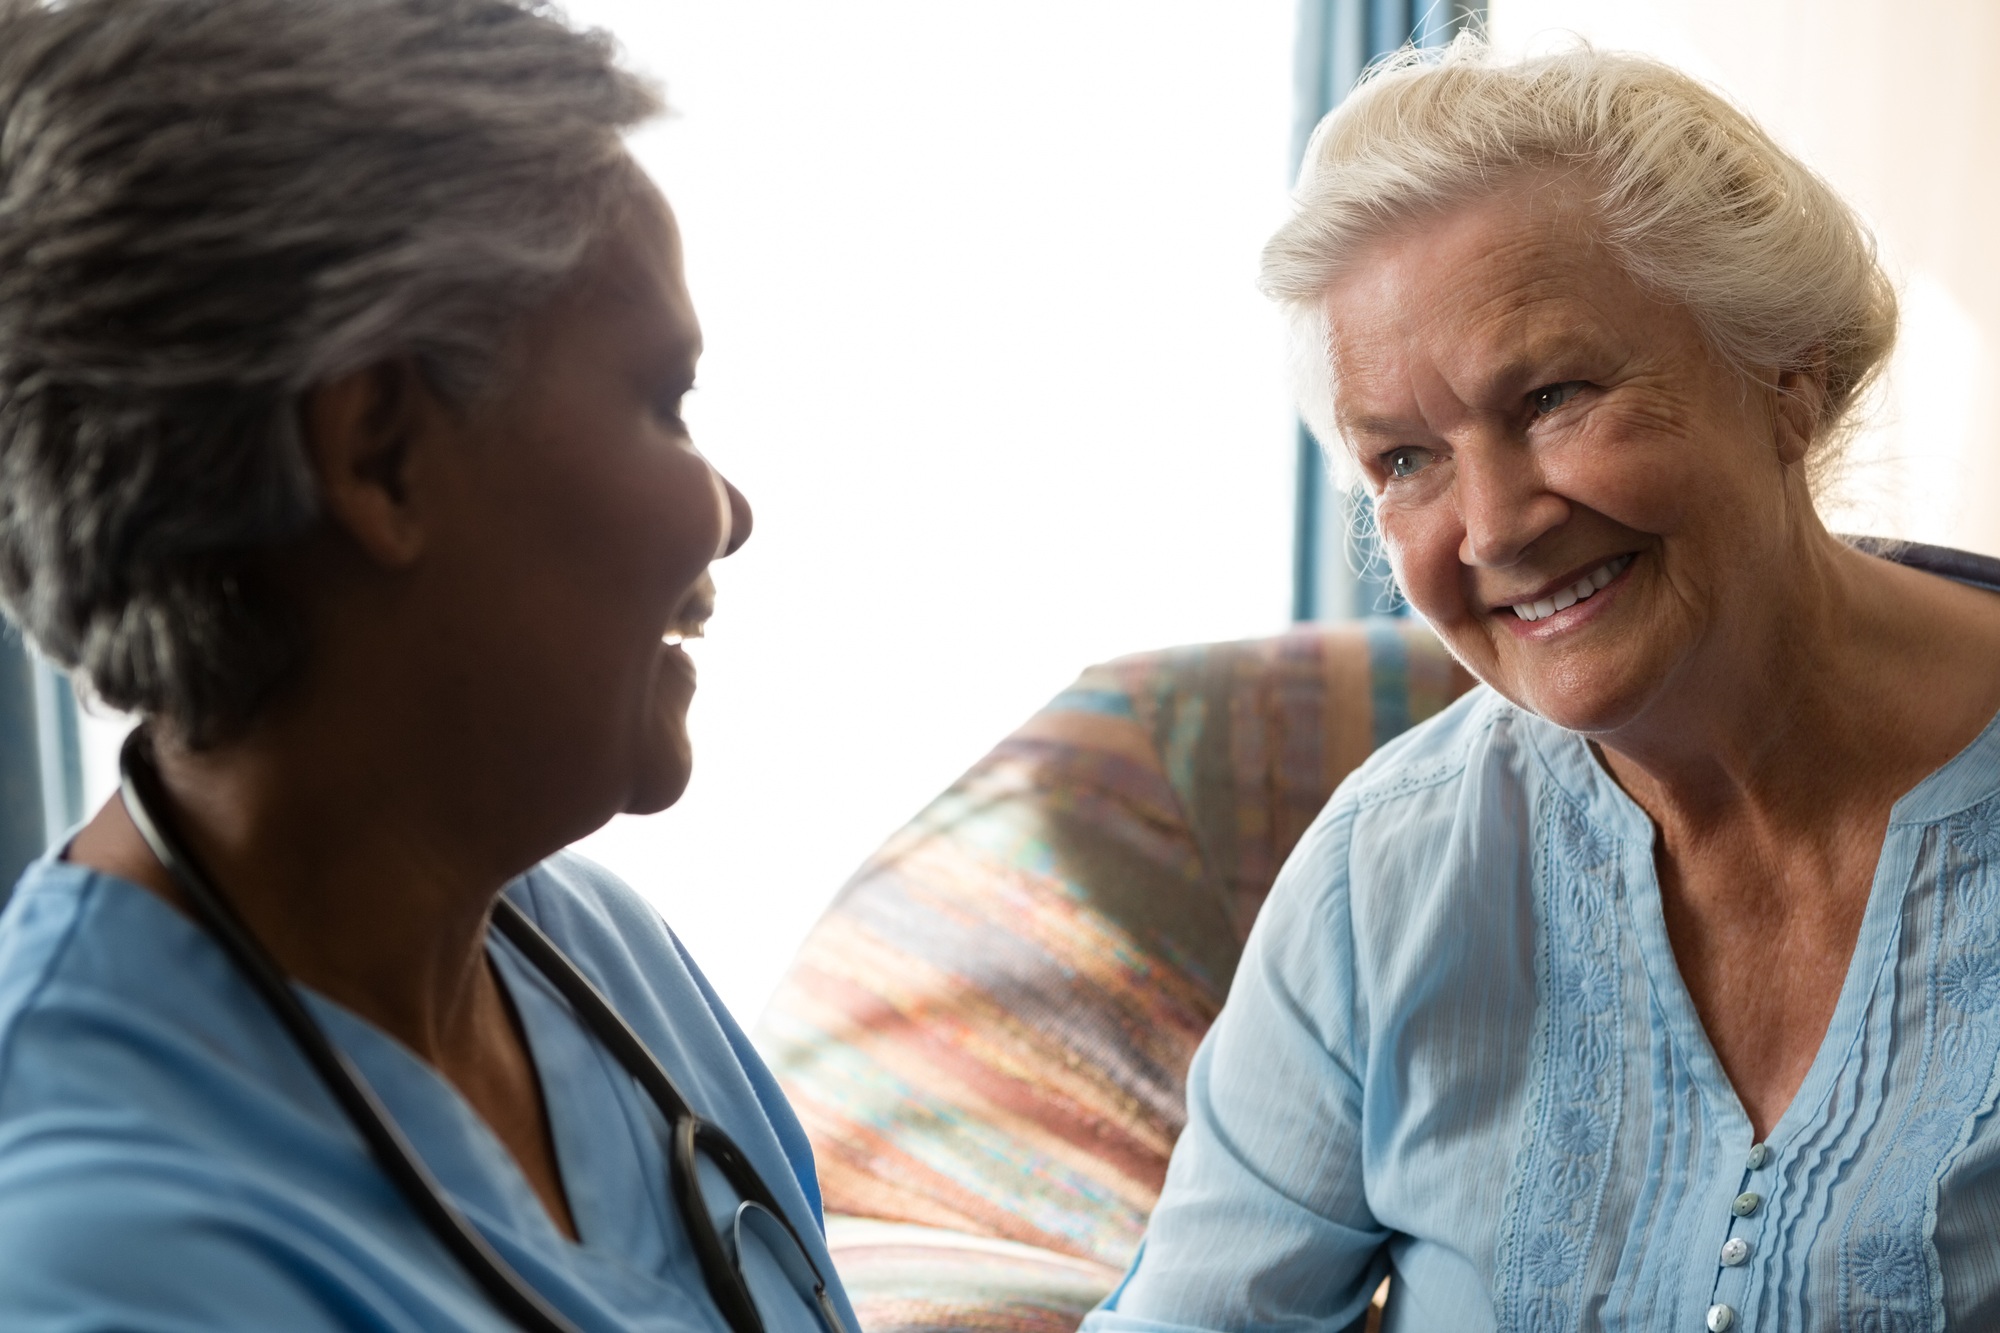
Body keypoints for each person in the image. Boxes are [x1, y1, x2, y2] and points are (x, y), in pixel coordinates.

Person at [1084, 37, 2000, 1333]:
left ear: (1785, 378)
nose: (1494, 527)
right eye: (1406, 458)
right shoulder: (1387, 873)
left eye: (1556, 395)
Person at [0, 2, 858, 1330]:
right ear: (381, 455)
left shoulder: (597, 955)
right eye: (662, 400)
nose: (725, 508)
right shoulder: (94, 1264)